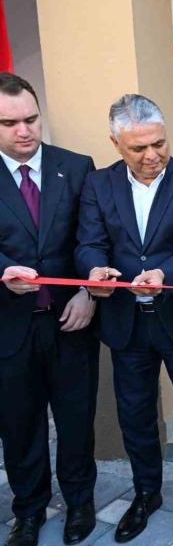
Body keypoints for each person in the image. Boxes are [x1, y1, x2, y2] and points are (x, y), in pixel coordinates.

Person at [75, 94, 173, 543]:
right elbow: (89, 243)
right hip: (125, 322)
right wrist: (93, 273)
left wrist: (165, 275)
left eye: (159, 143)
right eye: (138, 148)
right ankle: (146, 494)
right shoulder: (98, 184)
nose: (152, 155)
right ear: (115, 144)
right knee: (135, 415)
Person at [0, 73, 99, 546]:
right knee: (19, 424)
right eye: (9, 123)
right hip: (9, 325)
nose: (24, 131)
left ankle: (80, 502)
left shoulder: (76, 168)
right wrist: (4, 271)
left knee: (76, 419)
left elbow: (92, 238)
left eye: (31, 119)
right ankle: (29, 510)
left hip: (71, 320)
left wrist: (87, 292)